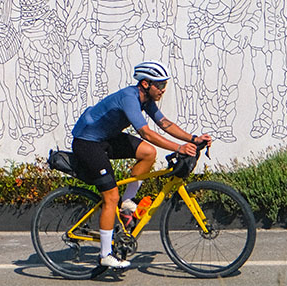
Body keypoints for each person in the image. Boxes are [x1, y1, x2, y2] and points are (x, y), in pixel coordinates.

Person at [70, 61, 211, 269]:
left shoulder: (146, 99)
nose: (163, 89)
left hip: (107, 138)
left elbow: (165, 124)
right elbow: (146, 132)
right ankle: (105, 254)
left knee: (148, 152)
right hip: (88, 143)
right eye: (159, 85)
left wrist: (194, 138)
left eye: (165, 85)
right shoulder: (130, 98)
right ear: (145, 84)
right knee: (110, 197)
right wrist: (179, 148)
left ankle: (127, 203)